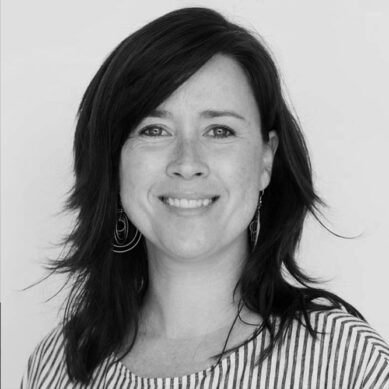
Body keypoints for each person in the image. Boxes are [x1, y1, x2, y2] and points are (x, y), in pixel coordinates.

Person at [21, 7, 389, 389]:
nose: (187, 163)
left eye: (219, 130)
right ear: (113, 162)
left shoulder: (349, 362)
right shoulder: (57, 366)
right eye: (154, 130)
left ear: (266, 158)